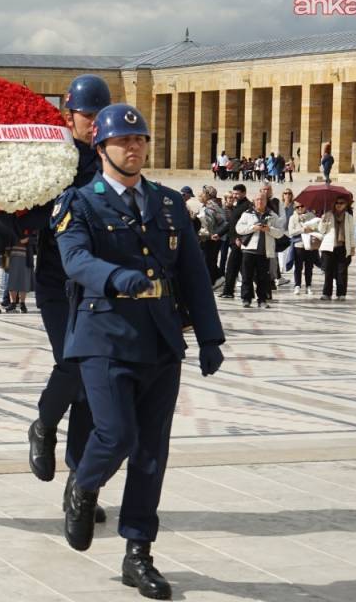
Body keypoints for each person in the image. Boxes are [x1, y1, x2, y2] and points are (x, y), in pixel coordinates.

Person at [54, 103, 225, 600]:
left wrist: (210, 336)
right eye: (123, 142)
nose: (134, 148)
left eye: (140, 140)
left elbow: (192, 273)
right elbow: (76, 260)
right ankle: (84, 485)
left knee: (151, 453)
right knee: (116, 434)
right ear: (100, 147)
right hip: (103, 338)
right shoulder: (79, 203)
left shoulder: (169, 205)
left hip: (159, 341)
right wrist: (115, 278)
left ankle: (138, 552)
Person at [24, 74, 108, 511]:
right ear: (68, 116)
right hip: (58, 281)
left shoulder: (113, 161)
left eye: (98, 116)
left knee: (92, 385)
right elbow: (29, 212)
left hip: (97, 287)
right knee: (72, 364)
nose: (93, 124)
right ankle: (44, 422)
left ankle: (81, 483)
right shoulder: (53, 160)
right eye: (86, 116)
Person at [235, 193, 284, 309]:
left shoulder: (272, 215)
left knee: (263, 277)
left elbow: (280, 232)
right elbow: (239, 229)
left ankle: (262, 300)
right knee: (247, 276)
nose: (260, 202)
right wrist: (253, 228)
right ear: (254, 201)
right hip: (249, 250)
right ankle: (246, 299)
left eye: (262, 200)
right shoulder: (247, 214)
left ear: (266, 201)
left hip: (264, 252)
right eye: (257, 200)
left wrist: (269, 229)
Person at [318, 197, 355, 301]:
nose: (339, 205)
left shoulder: (348, 217)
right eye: (337, 203)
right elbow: (321, 230)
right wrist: (323, 221)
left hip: (342, 247)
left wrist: (352, 247)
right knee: (328, 271)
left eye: (341, 203)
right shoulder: (328, 215)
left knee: (342, 271)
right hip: (329, 247)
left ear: (346, 204)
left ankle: (341, 293)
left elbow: (351, 233)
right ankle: (326, 293)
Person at [218, 184, 251, 298]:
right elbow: (231, 223)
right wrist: (219, 234)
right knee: (243, 268)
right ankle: (257, 292)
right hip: (234, 241)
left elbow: (248, 225)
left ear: (244, 193)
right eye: (234, 193)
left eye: (237, 193)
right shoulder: (238, 206)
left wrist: (241, 239)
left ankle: (228, 291)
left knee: (232, 267)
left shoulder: (248, 206)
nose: (235, 196)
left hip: (240, 243)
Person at [287, 200, 320, 294]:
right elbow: (291, 232)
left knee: (309, 266)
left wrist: (311, 229)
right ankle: (297, 285)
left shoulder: (311, 216)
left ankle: (308, 285)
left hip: (310, 245)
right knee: (298, 266)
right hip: (298, 245)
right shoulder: (292, 218)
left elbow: (317, 228)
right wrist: (302, 230)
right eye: (297, 207)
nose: (300, 208)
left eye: (302, 206)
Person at [196, 187, 228, 282]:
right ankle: (216, 279)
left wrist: (215, 234)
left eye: (202, 193)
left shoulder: (211, 207)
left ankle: (215, 280)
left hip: (210, 238)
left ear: (207, 195)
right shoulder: (209, 206)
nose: (200, 195)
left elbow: (211, 223)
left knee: (208, 261)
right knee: (208, 261)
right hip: (210, 237)